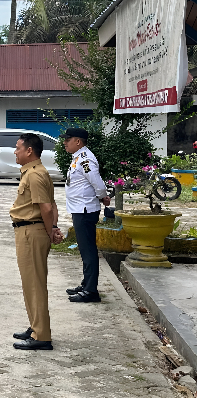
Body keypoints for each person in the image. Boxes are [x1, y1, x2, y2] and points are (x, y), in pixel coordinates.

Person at [10, 133, 62, 351]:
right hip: (30, 231)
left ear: (29, 151)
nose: (15, 151)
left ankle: (41, 335)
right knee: (31, 283)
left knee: (35, 285)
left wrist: (51, 231)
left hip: (31, 232)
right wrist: (54, 228)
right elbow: (52, 205)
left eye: (18, 147)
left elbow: (47, 208)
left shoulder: (34, 175)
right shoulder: (37, 172)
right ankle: (35, 327)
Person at [62, 128, 110, 303]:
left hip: (85, 209)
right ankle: (86, 283)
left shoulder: (85, 159)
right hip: (79, 208)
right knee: (84, 249)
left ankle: (91, 291)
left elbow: (97, 182)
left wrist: (102, 196)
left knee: (88, 250)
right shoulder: (78, 158)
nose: (65, 143)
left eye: (68, 140)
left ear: (78, 142)